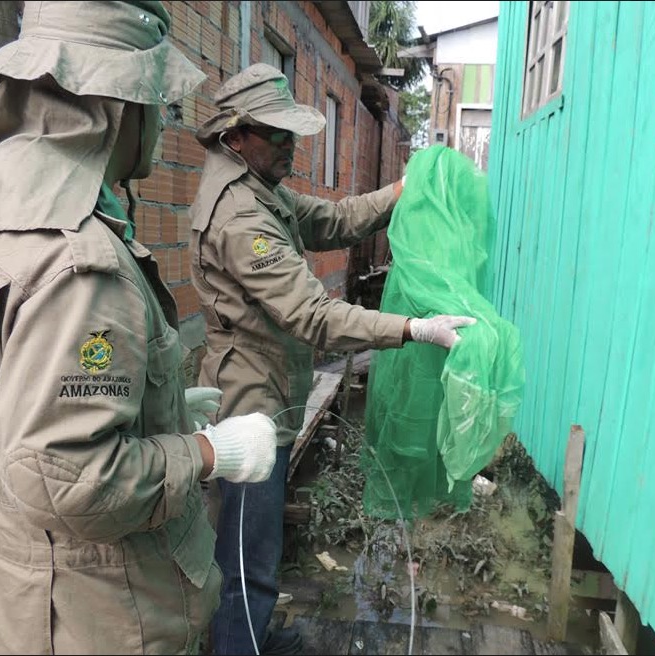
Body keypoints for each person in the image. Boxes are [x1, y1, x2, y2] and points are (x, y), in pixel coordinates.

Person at [0, 3, 278, 654]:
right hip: (98, 618)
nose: (162, 126)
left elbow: (14, 391)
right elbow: (66, 476)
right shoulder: (78, 263)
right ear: (121, 104)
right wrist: (212, 451)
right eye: (160, 103)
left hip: (14, 588)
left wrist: (162, 408)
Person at [189, 63, 476, 655]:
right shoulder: (240, 215)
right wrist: (411, 327)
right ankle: (241, 645)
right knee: (247, 552)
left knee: (258, 545)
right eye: (278, 134)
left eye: (292, 133)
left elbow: (334, 220)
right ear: (236, 135)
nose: (290, 145)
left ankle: (255, 635)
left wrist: (400, 193)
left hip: (270, 393)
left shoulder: (259, 189)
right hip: (249, 409)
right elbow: (314, 316)